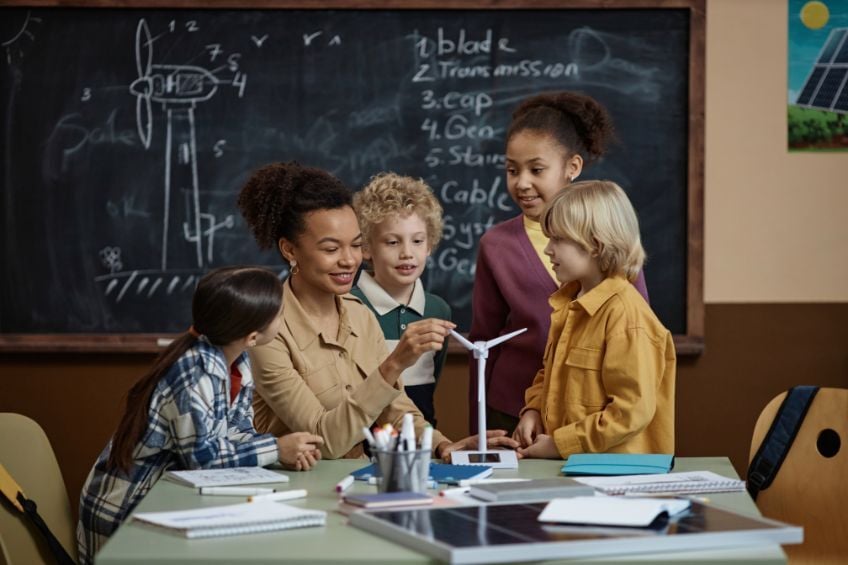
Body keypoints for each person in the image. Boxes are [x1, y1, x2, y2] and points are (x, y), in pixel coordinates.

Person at [237, 161, 517, 461]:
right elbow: (325, 441)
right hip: (298, 484)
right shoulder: (265, 330)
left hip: (358, 477)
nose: (349, 260)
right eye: (331, 249)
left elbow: (394, 409)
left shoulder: (359, 314)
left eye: (356, 245)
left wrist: (441, 444)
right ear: (290, 250)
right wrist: (394, 363)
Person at [77, 267, 324, 564]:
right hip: (127, 515)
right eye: (281, 314)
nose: (284, 320)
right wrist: (275, 448)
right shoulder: (194, 373)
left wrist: (280, 452)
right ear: (252, 336)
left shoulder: (239, 361)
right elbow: (202, 459)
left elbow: (236, 429)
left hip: (170, 503)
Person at [468, 91, 650, 436]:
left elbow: (637, 328)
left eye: (536, 169)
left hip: (593, 410)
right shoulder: (496, 245)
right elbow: (483, 343)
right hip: (512, 411)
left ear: (572, 167)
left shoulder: (608, 235)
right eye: (511, 170)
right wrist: (478, 432)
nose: (522, 182)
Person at [514, 181, 675, 459]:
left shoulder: (626, 316)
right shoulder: (570, 305)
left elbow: (630, 412)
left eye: (558, 239)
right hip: (571, 470)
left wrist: (561, 444)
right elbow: (551, 374)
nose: (548, 249)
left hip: (616, 475)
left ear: (596, 245)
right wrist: (534, 409)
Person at [350, 172, 451, 426]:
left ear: (429, 245)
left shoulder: (438, 310)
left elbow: (431, 383)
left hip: (424, 439)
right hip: (363, 438)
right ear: (366, 248)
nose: (407, 253)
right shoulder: (348, 306)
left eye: (417, 241)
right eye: (393, 242)